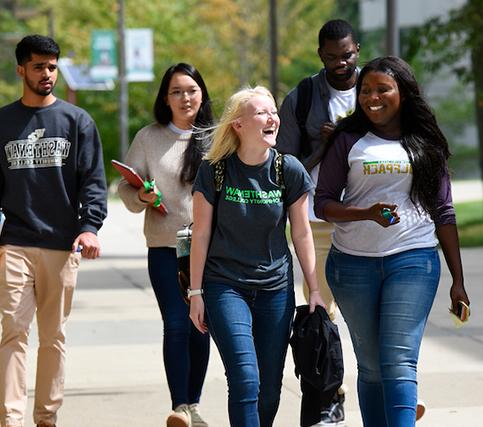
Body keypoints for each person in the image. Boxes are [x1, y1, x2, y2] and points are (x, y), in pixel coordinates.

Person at [314, 56, 470, 427]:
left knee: (398, 361)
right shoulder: (347, 139)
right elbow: (323, 203)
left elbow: (444, 212)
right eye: (365, 90)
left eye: (383, 89)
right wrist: (364, 213)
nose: (372, 98)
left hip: (413, 259)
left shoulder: (425, 142)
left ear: (403, 92)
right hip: (353, 264)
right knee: (370, 368)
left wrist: (458, 280)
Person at [188, 86, 326, 427]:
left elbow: (302, 233)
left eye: (273, 112)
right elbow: (201, 234)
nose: (272, 118)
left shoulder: (288, 170)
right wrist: (195, 293)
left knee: (269, 391)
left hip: (275, 290)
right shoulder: (215, 170)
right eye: (262, 113)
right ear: (238, 124)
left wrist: (314, 289)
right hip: (225, 286)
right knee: (245, 379)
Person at [0, 35, 107, 427]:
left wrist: (90, 227)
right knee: (12, 330)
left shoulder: (76, 121)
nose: (47, 74)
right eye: (38, 66)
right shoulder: (4, 122)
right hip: (14, 241)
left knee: (53, 337)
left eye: (52, 67)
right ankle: (10, 419)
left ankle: (46, 418)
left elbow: (92, 181)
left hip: (62, 245)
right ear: (21, 70)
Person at [117, 63, 213, 427]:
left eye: (191, 89)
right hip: (164, 247)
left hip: (208, 250)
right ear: (165, 98)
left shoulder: (217, 136)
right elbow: (126, 190)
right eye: (176, 91)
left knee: (199, 323)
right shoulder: (148, 137)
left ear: (201, 93)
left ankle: (195, 404)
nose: (185, 97)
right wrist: (142, 195)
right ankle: (180, 407)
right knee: (175, 322)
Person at [276, 18, 359, 425]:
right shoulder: (304, 96)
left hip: (373, 219)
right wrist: (325, 146)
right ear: (320, 56)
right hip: (318, 219)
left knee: (373, 314)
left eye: (346, 55)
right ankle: (331, 397)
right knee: (321, 312)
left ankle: (391, 392)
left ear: (357, 49)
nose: (340, 64)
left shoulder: (379, 88)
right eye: (331, 58)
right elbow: (284, 166)